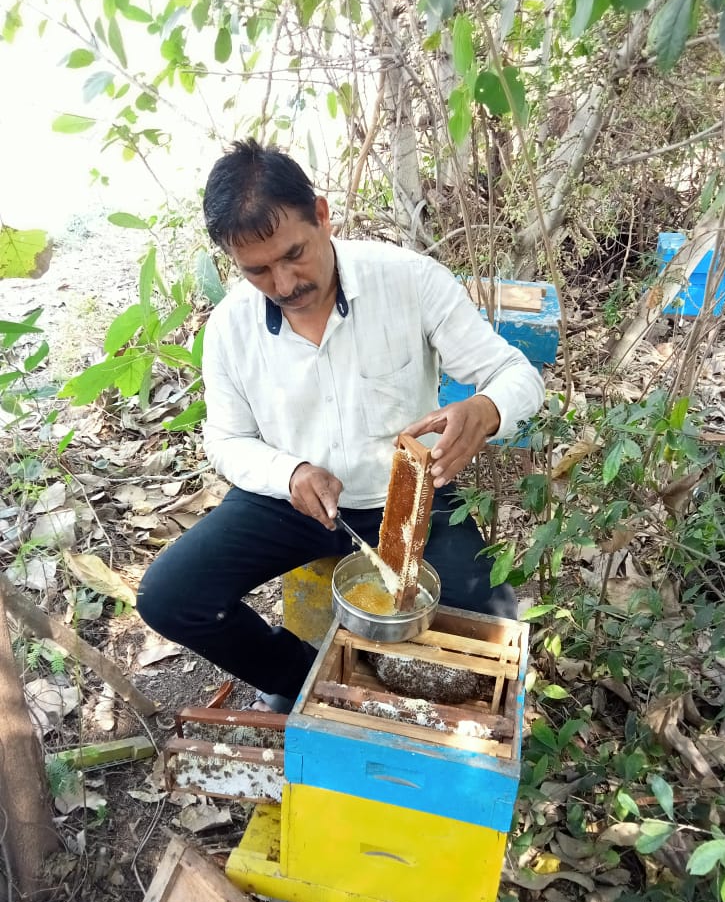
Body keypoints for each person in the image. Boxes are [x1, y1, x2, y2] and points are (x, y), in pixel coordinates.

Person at [136, 140, 545, 710]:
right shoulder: (230, 327)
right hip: (290, 501)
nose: (284, 284)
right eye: (258, 271)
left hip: (409, 495)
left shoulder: (409, 281)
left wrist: (485, 410)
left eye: (294, 254)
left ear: (322, 216)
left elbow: (516, 375)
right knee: (170, 598)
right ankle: (307, 681)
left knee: (494, 636)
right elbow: (227, 441)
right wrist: (291, 473)